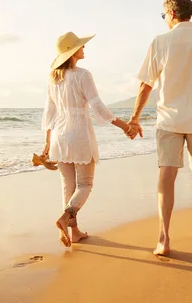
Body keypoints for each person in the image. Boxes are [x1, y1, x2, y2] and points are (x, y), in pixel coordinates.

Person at [128, 0, 192, 256]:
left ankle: (163, 238)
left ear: (172, 14)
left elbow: (145, 84)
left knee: (167, 174)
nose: (164, 20)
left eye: (164, 16)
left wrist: (134, 118)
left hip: (169, 120)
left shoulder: (160, 41)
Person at [42, 31, 135, 247]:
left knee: (69, 185)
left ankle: (73, 233)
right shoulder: (83, 75)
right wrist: (124, 126)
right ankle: (66, 217)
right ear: (73, 51)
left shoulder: (53, 77)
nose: (84, 48)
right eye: (81, 46)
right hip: (79, 135)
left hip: (59, 135)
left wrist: (47, 142)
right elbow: (98, 108)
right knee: (85, 184)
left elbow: (49, 112)